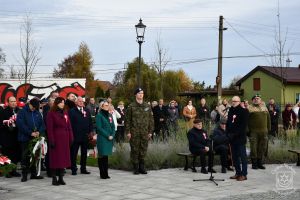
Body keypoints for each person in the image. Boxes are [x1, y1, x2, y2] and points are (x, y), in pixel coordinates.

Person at [125, 88, 154, 175]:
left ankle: (142, 167)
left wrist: (150, 131)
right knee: (134, 150)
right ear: (135, 95)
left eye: (142, 93)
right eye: (139, 93)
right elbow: (127, 121)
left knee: (143, 149)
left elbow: (151, 120)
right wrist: (128, 132)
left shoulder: (147, 106)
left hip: (145, 132)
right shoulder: (131, 106)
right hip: (134, 133)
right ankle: (135, 167)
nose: (141, 94)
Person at [16, 98, 46, 182]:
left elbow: (42, 124)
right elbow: (20, 124)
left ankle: (34, 174)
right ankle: (24, 175)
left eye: (35, 108)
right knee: (25, 157)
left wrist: (39, 132)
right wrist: (30, 133)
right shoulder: (22, 112)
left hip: (35, 138)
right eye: (33, 107)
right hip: (25, 138)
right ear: (29, 104)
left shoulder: (37, 112)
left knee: (35, 156)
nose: (34, 109)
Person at [46, 97, 73, 185]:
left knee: (63, 159)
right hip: (56, 139)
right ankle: (54, 178)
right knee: (55, 159)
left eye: (63, 102)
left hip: (65, 139)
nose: (62, 104)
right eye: (61, 102)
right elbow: (49, 129)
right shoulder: (51, 113)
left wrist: (71, 137)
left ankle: (61, 177)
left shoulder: (65, 113)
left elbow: (69, 126)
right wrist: (52, 140)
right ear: (57, 103)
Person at [69, 96, 93, 175]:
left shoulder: (87, 110)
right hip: (76, 136)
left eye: (82, 101)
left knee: (84, 153)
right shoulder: (72, 111)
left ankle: (83, 168)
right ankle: (73, 169)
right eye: (79, 101)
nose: (81, 102)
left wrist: (91, 131)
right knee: (74, 153)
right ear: (76, 103)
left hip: (85, 136)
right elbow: (70, 124)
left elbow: (90, 122)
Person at [227, 96, 248, 181]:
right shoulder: (231, 111)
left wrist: (235, 134)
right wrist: (227, 133)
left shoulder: (244, 111)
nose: (233, 102)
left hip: (240, 137)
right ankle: (238, 173)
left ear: (239, 102)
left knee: (242, 156)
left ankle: (244, 174)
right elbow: (228, 122)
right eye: (232, 101)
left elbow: (243, 126)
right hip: (232, 138)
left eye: (235, 101)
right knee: (234, 157)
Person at [248, 94, 270, 170]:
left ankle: (260, 163)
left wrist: (268, 129)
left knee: (262, 147)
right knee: (253, 148)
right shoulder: (249, 108)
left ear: (260, 100)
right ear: (252, 100)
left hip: (264, 132)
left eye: (258, 98)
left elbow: (268, 119)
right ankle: (254, 164)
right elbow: (246, 121)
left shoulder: (264, 108)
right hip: (254, 131)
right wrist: (247, 131)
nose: (256, 99)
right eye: (255, 98)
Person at [0, 96, 21, 178]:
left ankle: (14, 170)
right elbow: (1, 124)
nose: (13, 103)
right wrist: (8, 125)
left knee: (15, 155)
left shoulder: (19, 111)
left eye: (14, 101)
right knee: (7, 155)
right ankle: (7, 171)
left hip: (16, 137)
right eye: (11, 101)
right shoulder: (3, 112)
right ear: (8, 102)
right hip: (7, 137)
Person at [96, 100, 115, 179]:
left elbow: (113, 126)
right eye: (106, 105)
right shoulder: (99, 115)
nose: (107, 106)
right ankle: (102, 173)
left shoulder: (110, 115)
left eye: (108, 105)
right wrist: (107, 135)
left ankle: (106, 173)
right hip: (103, 138)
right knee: (102, 156)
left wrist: (112, 135)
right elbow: (99, 128)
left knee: (106, 156)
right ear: (102, 106)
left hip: (109, 138)